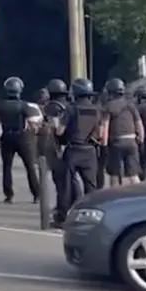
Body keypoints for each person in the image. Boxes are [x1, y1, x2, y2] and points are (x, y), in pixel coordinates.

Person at [54, 78, 102, 222]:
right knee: (91, 186)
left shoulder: (71, 108)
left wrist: (55, 125)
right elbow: (99, 134)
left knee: (66, 186)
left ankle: (63, 216)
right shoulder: (96, 110)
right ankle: (93, 216)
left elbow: (60, 132)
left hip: (73, 150)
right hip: (90, 151)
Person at [0, 76, 40, 204]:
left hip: (7, 136)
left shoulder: (1, 105)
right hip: (22, 137)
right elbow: (32, 123)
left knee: (7, 167)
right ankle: (36, 194)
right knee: (29, 166)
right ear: (20, 90)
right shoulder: (24, 106)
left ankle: (9, 195)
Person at [39, 78, 71, 225]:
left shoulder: (52, 107)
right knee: (70, 182)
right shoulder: (68, 105)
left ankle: (62, 214)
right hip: (69, 147)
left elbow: (56, 128)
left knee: (60, 184)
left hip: (56, 148)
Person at [101, 78, 143, 187]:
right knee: (133, 175)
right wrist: (141, 139)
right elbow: (139, 124)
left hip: (116, 143)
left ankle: (114, 198)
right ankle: (140, 194)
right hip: (131, 142)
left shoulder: (108, 106)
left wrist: (104, 146)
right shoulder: (130, 105)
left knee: (114, 174)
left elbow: (105, 127)